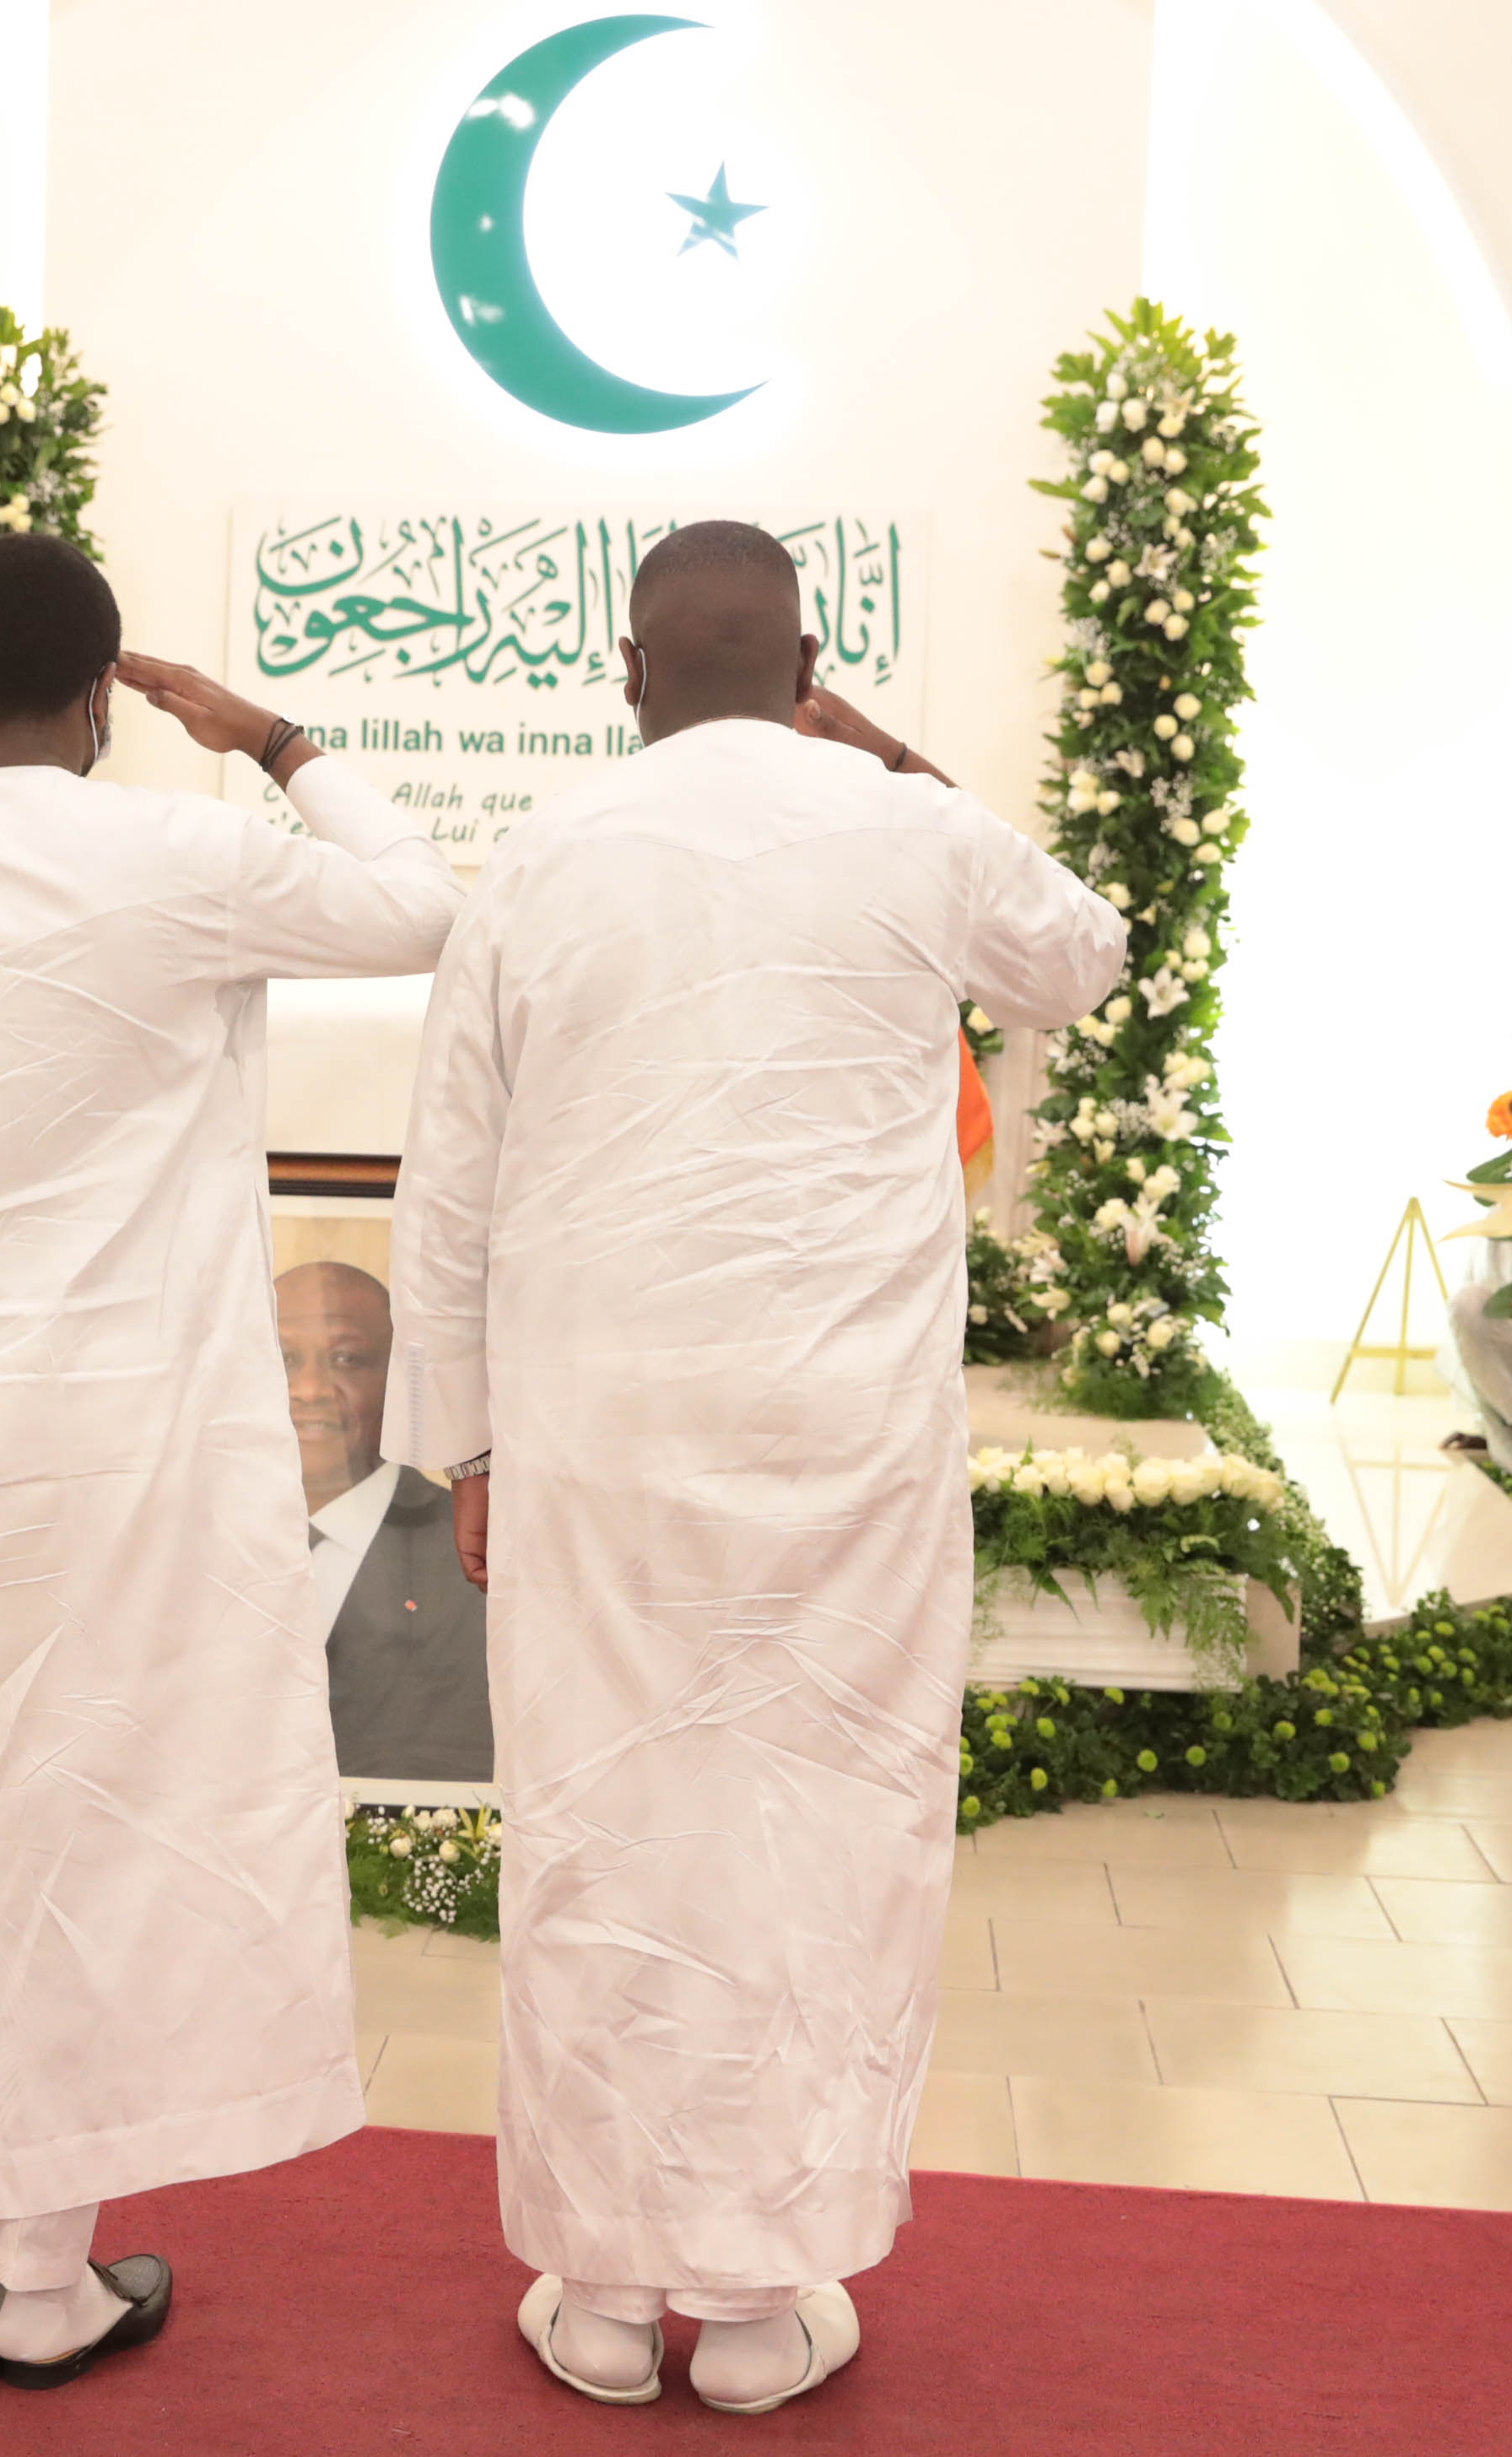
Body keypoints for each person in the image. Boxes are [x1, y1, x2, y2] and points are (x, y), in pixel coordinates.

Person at [0, 531, 465, 2389]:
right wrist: (273, 740)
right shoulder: (179, 857)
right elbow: (420, 904)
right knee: (90, 1831)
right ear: (103, 693)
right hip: (135, 1455)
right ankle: (33, 2277)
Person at [383, 521, 1126, 2416]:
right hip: (842, 1449)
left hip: (600, 1444)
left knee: (600, 1826)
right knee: (824, 1834)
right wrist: (896, 761)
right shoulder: (908, 827)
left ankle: (603, 2291)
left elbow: (448, 1189)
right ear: (810, 671)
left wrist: (466, 1446)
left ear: (626, 676)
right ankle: (767, 2302)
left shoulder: (539, 856)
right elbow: (1081, 958)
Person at [278, 1259, 490, 1781]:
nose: (309, 1388)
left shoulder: (473, 1559)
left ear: (398, 1382)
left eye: (345, 1359)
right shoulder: (191, 1547)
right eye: (283, 1359)